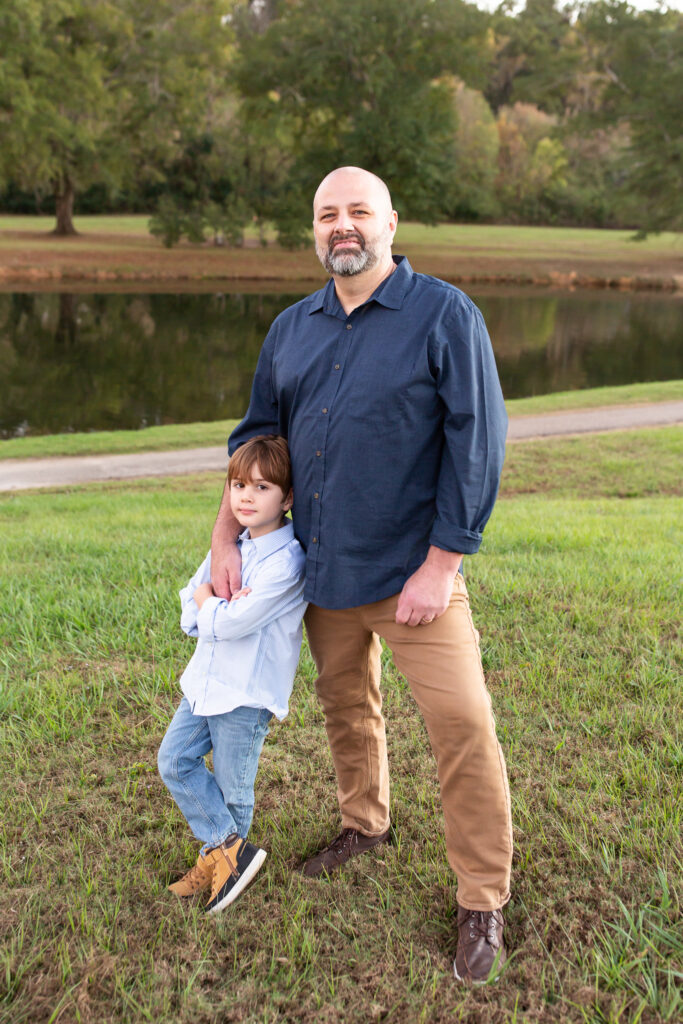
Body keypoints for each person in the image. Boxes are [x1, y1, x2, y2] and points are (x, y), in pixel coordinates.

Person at [210, 166, 512, 981]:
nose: (342, 226)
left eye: (357, 213)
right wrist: (223, 541)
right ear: (314, 230)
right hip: (321, 568)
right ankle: (364, 825)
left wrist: (441, 566)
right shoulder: (292, 327)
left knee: (462, 727)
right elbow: (255, 441)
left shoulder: (444, 314)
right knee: (345, 705)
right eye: (326, 215)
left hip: (416, 576)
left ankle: (481, 899)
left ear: (389, 222)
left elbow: (477, 445)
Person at [158, 434, 306, 915]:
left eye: (261, 488)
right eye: (237, 484)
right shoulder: (232, 547)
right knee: (173, 760)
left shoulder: (288, 562)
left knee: (231, 788)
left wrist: (210, 604)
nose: (244, 496)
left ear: (286, 498)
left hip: (244, 691)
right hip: (203, 683)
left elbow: (232, 623)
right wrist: (209, 603)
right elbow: (189, 608)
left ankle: (224, 870)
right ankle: (227, 853)